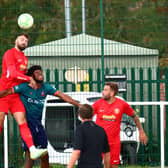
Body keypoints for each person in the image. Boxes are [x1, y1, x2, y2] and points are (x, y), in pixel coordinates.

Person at [0, 65, 81, 168]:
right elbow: (7, 92)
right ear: (31, 76)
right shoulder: (24, 87)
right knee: (30, 159)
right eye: (37, 73)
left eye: (41, 72)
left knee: (45, 156)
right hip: (28, 126)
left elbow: (62, 95)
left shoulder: (46, 87)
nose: (40, 74)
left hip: (38, 124)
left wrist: (78, 105)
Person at [0, 33, 47, 160]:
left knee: (23, 122)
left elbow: (20, 76)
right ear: (16, 41)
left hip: (15, 96)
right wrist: (28, 79)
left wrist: (29, 81)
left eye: (26, 40)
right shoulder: (10, 53)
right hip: (3, 94)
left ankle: (32, 150)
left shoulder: (24, 58)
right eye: (22, 39)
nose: (24, 42)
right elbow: (12, 73)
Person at [92, 82, 148, 168]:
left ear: (112, 93)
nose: (102, 92)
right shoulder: (98, 103)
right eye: (103, 89)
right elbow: (86, 116)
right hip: (99, 141)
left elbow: (135, 116)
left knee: (113, 166)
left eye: (105, 90)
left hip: (114, 142)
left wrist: (141, 131)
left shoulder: (121, 104)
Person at [68, 104, 110, 168]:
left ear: (79, 115)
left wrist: (69, 167)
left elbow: (77, 151)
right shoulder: (101, 130)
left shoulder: (80, 129)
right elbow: (107, 153)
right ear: (92, 115)